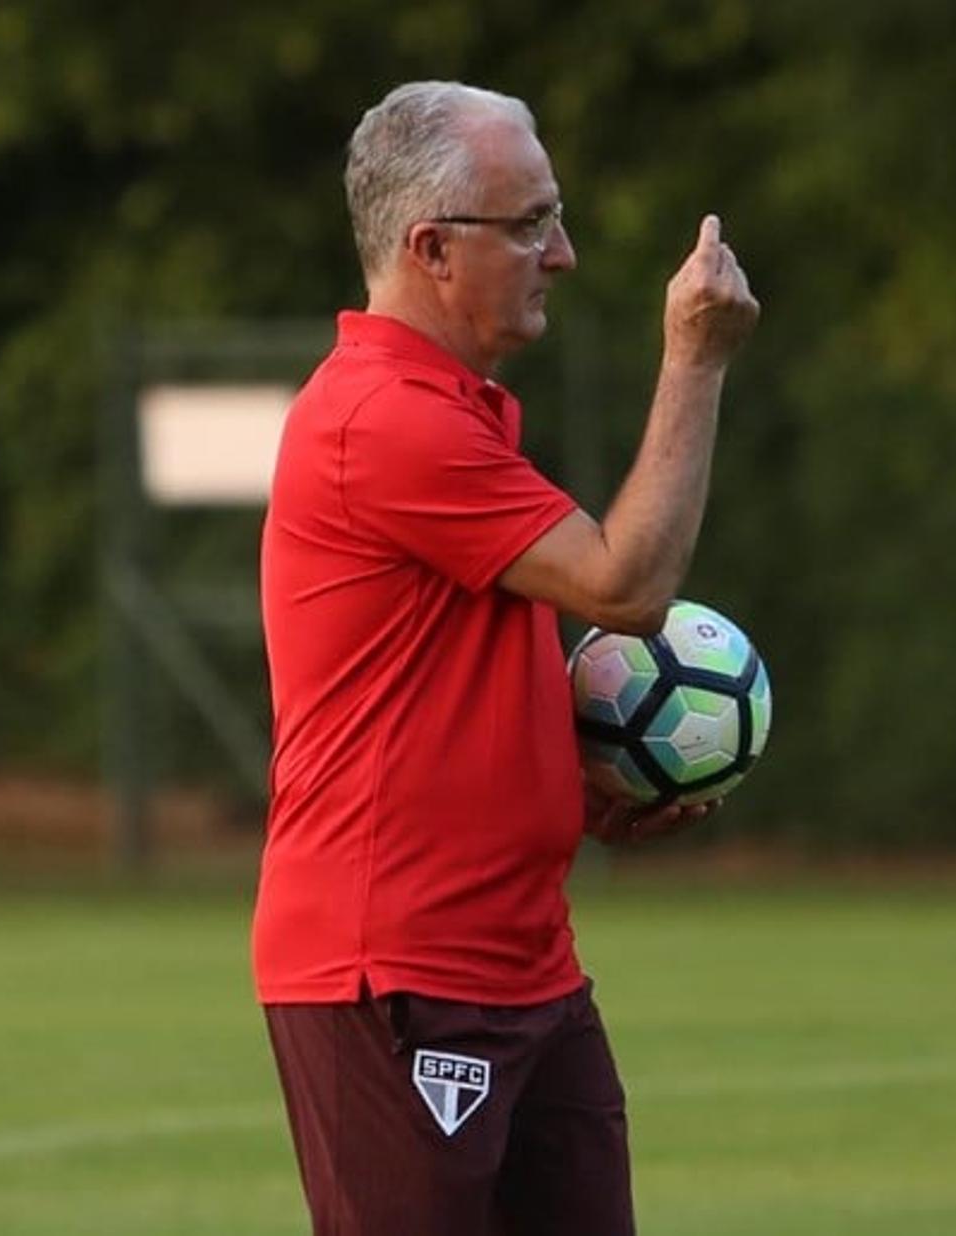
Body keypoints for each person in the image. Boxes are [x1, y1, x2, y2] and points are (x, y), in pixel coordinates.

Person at [253, 80, 759, 1235]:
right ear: (431, 247)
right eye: (529, 222)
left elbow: (434, 673)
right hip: (398, 974)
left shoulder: (451, 408)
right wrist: (695, 361)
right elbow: (624, 586)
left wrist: (556, 785)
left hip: (524, 959)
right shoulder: (382, 416)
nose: (563, 253)